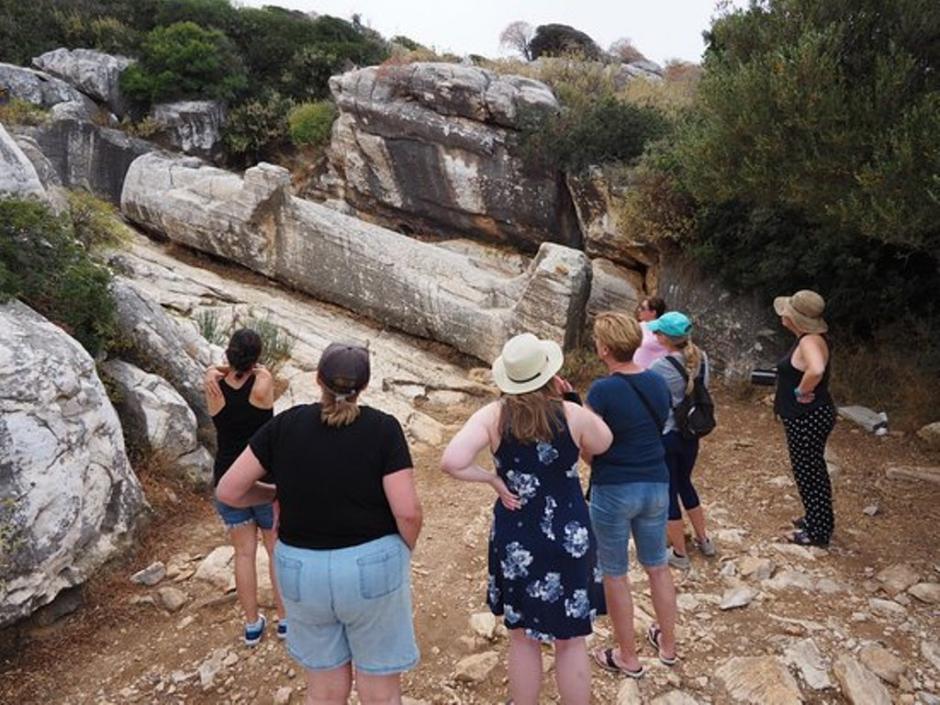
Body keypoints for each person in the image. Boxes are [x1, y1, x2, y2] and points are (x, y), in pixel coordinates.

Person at [217, 342, 422, 705]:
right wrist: (404, 547)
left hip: (300, 569)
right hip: (371, 565)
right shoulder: (384, 429)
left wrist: (272, 494)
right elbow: (406, 511)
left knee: (325, 691)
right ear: (364, 386)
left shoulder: (285, 425)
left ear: (317, 380)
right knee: (380, 689)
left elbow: (230, 490)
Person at [441, 333, 613, 705]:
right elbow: (603, 443)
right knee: (571, 641)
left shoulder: (493, 416)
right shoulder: (572, 414)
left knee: (522, 636)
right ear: (550, 375)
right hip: (571, 533)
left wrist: (491, 479)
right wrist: (570, 402)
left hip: (518, 532)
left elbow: (451, 461)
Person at [586, 312, 678, 677]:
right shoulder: (656, 381)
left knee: (615, 573)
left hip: (613, 487)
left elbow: (590, 448)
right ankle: (668, 645)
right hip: (656, 482)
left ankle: (628, 656)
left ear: (605, 348)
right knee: (657, 567)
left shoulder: (602, 390)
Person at [205, 329, 285, 646]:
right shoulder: (263, 385)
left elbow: (223, 371)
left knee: (243, 554)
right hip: (264, 479)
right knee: (275, 551)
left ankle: (252, 625)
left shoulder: (214, 388)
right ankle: (285, 620)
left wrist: (215, 370)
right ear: (256, 356)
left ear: (229, 352)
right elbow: (263, 371)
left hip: (228, 479)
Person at [647, 312, 716, 570]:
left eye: (658, 332)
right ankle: (704, 539)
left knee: (668, 491)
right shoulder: (702, 358)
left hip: (667, 435)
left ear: (666, 337)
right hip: (691, 434)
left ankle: (679, 553)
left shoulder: (659, 367)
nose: (655, 336)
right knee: (686, 483)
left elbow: (655, 401)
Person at [773, 290, 836, 547]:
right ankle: (816, 519)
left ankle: (818, 531)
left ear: (795, 318)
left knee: (810, 472)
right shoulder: (811, 338)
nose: (783, 315)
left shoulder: (809, 341)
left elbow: (817, 369)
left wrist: (801, 391)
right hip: (809, 415)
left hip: (807, 416)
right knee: (809, 470)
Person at [633, 296, 669, 369]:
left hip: (652, 372)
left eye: (643, 308)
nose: (639, 310)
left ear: (653, 312)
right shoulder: (639, 326)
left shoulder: (663, 331)